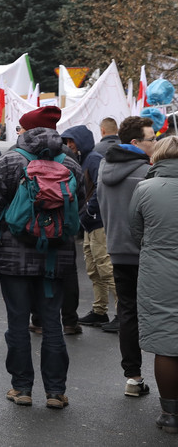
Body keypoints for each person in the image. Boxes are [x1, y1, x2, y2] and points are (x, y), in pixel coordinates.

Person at [0, 106, 81, 410]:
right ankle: (55, 392)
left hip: (13, 254)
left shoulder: (10, 160)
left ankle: (21, 388)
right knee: (52, 323)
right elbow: (78, 203)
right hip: (56, 256)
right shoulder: (70, 163)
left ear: (26, 130)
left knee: (18, 322)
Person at [99, 115, 157, 397]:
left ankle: (133, 378)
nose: (155, 143)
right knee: (160, 314)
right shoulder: (148, 172)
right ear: (135, 143)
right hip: (147, 252)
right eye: (151, 139)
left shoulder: (103, 167)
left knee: (127, 313)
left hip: (117, 249)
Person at [127, 136, 178, 433]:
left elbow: (135, 230)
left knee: (166, 341)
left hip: (158, 271)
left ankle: (171, 413)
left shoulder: (145, 188)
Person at [61, 125, 116, 329]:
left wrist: (90, 210)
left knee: (105, 268)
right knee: (94, 269)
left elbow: (102, 187)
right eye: (66, 142)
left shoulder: (93, 159)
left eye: (71, 141)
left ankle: (122, 314)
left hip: (98, 222)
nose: (69, 145)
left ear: (81, 141)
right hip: (89, 223)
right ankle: (100, 311)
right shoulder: (82, 160)